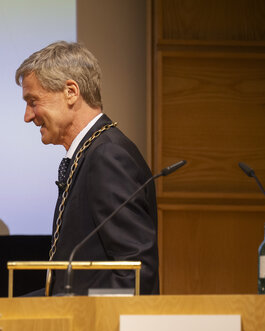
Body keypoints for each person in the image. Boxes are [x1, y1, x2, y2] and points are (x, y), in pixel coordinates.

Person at [16, 41, 159, 296]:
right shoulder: (89, 153)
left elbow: (135, 273)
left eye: (33, 101)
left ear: (71, 92)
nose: (28, 115)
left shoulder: (107, 157)